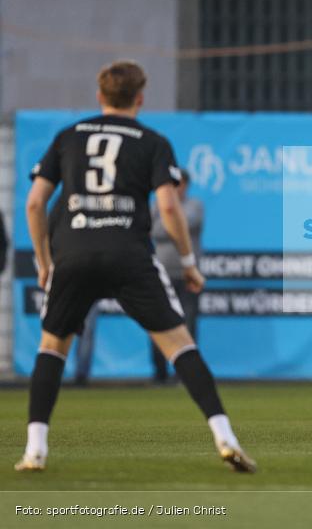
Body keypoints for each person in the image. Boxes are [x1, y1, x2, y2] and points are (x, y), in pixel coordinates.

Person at [16, 60, 254, 472]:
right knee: (181, 345)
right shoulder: (152, 141)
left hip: (72, 253)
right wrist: (188, 263)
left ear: (100, 96)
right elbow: (167, 204)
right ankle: (225, 437)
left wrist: (43, 262)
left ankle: (35, 449)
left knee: (52, 347)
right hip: (128, 252)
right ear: (140, 98)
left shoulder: (68, 137)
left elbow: (35, 203)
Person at [150, 169, 204, 383]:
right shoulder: (156, 206)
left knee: (188, 326)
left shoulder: (195, 206)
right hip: (161, 274)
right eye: (173, 184)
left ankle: (185, 374)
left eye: (180, 184)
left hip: (188, 275)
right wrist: (170, 218)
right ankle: (160, 372)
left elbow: (181, 224)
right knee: (158, 323)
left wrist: (168, 217)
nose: (177, 188)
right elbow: (154, 231)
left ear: (187, 186)